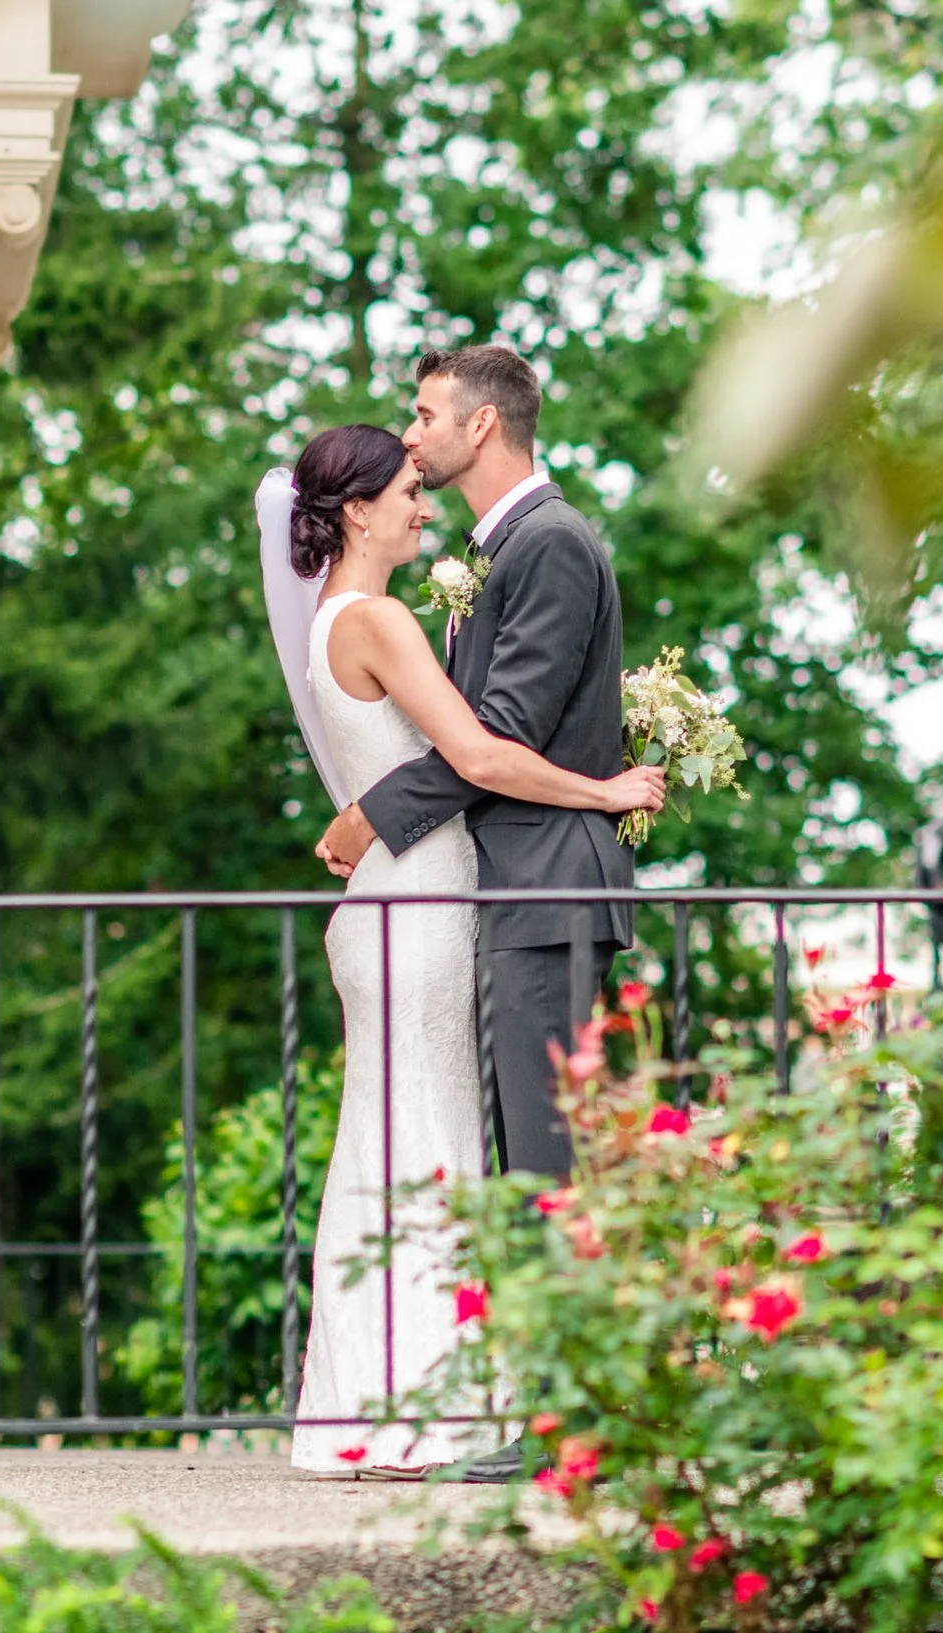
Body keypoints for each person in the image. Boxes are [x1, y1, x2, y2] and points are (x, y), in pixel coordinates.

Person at [270, 423, 662, 1481]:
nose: (423, 504)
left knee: (396, 1135)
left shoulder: (330, 617)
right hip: (422, 899)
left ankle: (380, 1403)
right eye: (405, 491)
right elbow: (482, 751)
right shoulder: (383, 619)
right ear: (355, 510)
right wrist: (605, 786)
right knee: (432, 1138)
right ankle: (425, 1411)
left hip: (391, 899)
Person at [314, 346, 636, 1184]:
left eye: (424, 415)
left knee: (544, 1168)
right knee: (518, 1162)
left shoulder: (550, 543)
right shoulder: (500, 548)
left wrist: (373, 814)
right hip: (509, 888)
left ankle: (556, 1319)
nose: (411, 439)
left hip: (545, 884)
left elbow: (502, 734)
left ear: (482, 421)